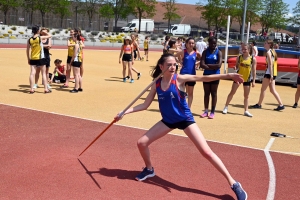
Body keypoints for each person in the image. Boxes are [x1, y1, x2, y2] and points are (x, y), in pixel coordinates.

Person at [114, 54, 248, 200]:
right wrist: (124, 112)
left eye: (175, 65)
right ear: (161, 66)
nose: (173, 67)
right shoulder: (156, 83)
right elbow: (145, 105)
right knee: (141, 143)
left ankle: (234, 183)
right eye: (169, 65)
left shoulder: (179, 79)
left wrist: (228, 75)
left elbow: (203, 78)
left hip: (185, 120)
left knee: (206, 152)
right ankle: (149, 169)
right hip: (168, 121)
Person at [223, 44, 257, 117]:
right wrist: (235, 67)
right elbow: (237, 66)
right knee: (232, 92)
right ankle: (226, 106)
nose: (243, 51)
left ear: (249, 50)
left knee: (246, 96)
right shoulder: (239, 57)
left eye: (245, 49)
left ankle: (246, 110)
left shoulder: (252, 59)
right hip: (238, 77)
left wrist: (254, 81)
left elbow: (254, 70)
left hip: (247, 78)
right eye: (243, 49)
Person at [250, 40, 285, 111]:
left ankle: (259, 104)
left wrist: (271, 75)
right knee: (272, 90)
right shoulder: (273, 51)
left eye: (265, 43)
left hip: (269, 73)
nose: (264, 44)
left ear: (269, 44)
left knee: (263, 89)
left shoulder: (269, 52)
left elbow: (270, 64)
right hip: (273, 73)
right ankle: (281, 104)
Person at [199, 37, 222, 119]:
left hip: (215, 75)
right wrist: (213, 67)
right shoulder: (205, 52)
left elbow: (219, 65)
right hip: (206, 75)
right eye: (212, 43)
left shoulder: (218, 52)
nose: (213, 45)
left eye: (215, 43)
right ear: (208, 43)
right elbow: (202, 64)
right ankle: (206, 111)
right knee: (206, 93)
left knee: (214, 93)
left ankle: (212, 111)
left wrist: (207, 66)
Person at [175, 38, 201, 108]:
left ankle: (188, 108)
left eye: (192, 43)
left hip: (192, 75)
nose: (191, 44)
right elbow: (174, 56)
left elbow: (203, 59)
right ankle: (181, 106)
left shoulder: (196, 52)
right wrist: (179, 62)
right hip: (183, 74)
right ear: (186, 44)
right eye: (189, 43)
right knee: (182, 92)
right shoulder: (183, 51)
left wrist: (197, 62)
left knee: (190, 93)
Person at [26, 25, 52, 94]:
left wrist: (28, 58)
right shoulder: (40, 38)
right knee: (43, 73)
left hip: (33, 58)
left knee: (32, 73)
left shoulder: (29, 39)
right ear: (38, 31)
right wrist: (44, 32)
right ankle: (46, 89)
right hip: (40, 57)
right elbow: (50, 36)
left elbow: (27, 50)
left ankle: (31, 89)